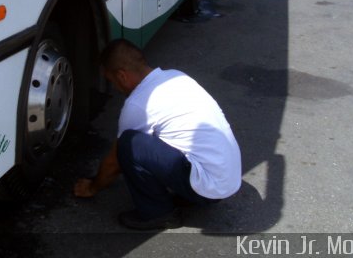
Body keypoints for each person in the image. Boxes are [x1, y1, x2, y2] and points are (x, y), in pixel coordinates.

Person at [73, 39, 242, 230]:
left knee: (129, 144)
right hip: (227, 177)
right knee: (154, 137)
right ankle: (189, 193)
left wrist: (93, 186)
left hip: (210, 187)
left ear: (121, 76)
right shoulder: (176, 76)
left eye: (111, 81)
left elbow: (115, 161)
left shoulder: (137, 104)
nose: (115, 88)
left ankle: (158, 213)